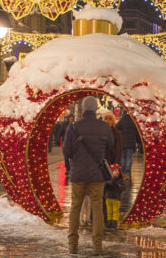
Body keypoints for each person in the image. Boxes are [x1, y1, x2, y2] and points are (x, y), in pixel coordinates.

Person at [62, 96, 114, 255]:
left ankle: (72, 244)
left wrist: (74, 160)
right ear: (95, 108)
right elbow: (111, 146)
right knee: (97, 208)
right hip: (97, 174)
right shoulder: (104, 127)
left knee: (75, 207)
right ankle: (97, 244)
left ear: (84, 109)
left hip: (78, 173)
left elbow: (66, 151)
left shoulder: (73, 127)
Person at [115, 111, 140, 181]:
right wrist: (139, 141)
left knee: (122, 158)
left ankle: (122, 173)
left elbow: (116, 129)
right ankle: (127, 173)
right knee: (129, 159)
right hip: (131, 144)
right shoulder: (133, 121)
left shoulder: (121, 121)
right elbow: (137, 133)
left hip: (122, 144)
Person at [104, 163, 125, 229]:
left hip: (116, 198)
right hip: (108, 197)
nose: (117, 172)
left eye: (118, 170)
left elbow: (123, 188)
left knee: (115, 211)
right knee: (109, 210)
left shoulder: (120, 180)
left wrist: (117, 185)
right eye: (115, 170)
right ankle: (109, 221)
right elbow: (105, 187)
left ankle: (114, 222)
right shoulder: (109, 179)